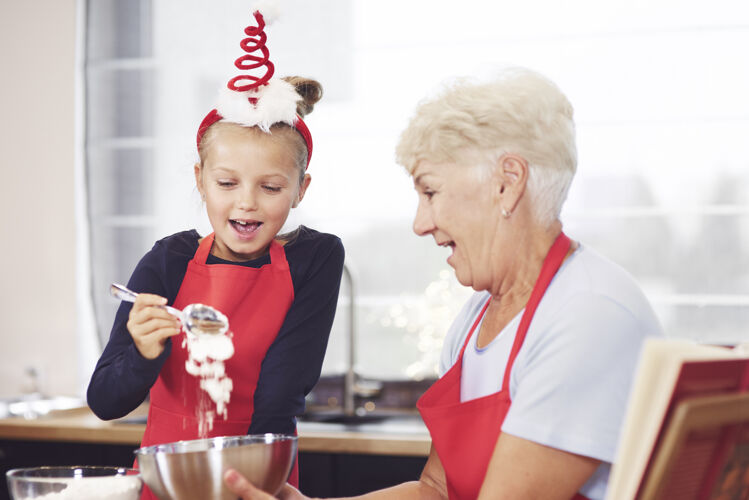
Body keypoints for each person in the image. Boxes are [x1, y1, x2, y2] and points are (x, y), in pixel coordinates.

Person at [223, 66, 664, 500]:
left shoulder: (587, 315)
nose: (420, 223)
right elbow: (436, 490)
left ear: (507, 184)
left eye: (430, 192)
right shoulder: (477, 319)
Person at [86, 7, 344, 500]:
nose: (246, 201)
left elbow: (281, 393)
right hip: (166, 484)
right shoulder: (167, 261)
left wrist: (250, 486)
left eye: (270, 186)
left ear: (300, 189)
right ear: (200, 179)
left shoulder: (316, 259)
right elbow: (105, 400)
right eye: (226, 182)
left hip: (261, 479)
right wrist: (143, 351)